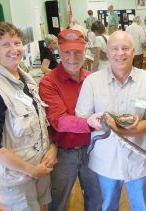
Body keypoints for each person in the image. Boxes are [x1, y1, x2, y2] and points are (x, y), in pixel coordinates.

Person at [75, 31, 146, 211]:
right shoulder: (92, 81)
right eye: (115, 48)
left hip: (138, 161)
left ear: (133, 51)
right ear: (107, 51)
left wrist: (121, 130)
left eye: (125, 48)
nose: (120, 53)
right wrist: (94, 120)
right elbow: (82, 118)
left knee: (141, 207)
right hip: (105, 162)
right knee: (107, 206)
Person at [0, 22, 57, 211]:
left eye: (17, 43)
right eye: (6, 44)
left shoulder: (27, 80)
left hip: (40, 171)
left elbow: (40, 120)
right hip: (17, 182)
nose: (14, 49)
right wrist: (32, 171)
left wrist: (53, 147)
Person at [39, 29, 102, 211]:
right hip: (63, 154)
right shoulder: (48, 82)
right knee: (58, 203)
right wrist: (89, 123)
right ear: (59, 51)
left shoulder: (92, 80)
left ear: (85, 51)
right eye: (67, 52)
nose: (73, 58)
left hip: (92, 151)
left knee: (96, 199)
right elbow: (59, 120)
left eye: (78, 52)